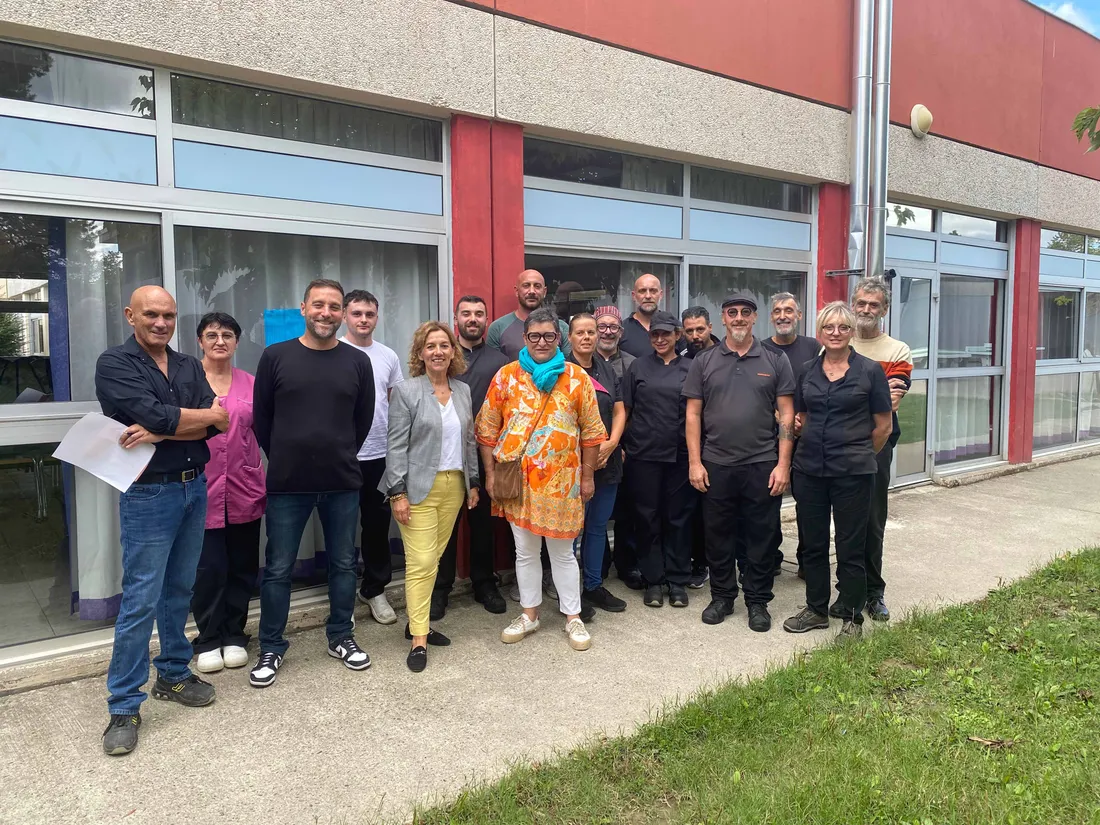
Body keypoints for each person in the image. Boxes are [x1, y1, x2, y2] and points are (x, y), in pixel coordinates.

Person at [95, 286, 229, 756]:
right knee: (140, 599)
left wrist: (160, 427)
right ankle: (124, 706)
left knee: (179, 590)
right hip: (149, 493)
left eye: (168, 315)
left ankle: (172, 674)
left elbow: (221, 421)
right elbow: (168, 413)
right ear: (131, 315)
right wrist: (173, 420)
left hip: (195, 486)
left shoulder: (190, 365)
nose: (161, 322)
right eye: (151, 314)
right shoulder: (115, 364)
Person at [249, 279, 375, 688]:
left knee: (343, 564)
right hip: (288, 482)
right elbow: (262, 419)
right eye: (318, 305)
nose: (326, 313)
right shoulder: (276, 356)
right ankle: (271, 646)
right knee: (279, 569)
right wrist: (287, 454)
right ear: (303, 308)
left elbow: (364, 417)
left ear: (342, 313)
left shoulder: (357, 361)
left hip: (341, 481)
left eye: (334, 307)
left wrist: (336, 451)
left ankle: (341, 636)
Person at [476, 307, 606, 651]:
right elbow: (487, 432)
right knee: (525, 552)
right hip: (517, 484)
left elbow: (592, 433)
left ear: (558, 338)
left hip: (563, 485)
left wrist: (588, 477)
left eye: (549, 336)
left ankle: (573, 617)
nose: (542, 342)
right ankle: (529, 615)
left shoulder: (577, 378)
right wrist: (490, 475)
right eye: (535, 336)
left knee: (563, 554)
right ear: (524, 339)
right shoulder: (506, 376)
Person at [683, 292, 795, 632]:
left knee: (760, 536)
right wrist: (694, 462)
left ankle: (758, 602)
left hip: (762, 463)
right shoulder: (704, 361)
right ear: (723, 319)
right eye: (732, 312)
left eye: (746, 312)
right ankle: (722, 597)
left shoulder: (775, 360)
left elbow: (787, 414)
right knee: (718, 536)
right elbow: (692, 415)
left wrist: (783, 464)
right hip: (715, 463)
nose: (739, 318)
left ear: (754, 318)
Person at [782, 302, 893, 639]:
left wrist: (858, 453)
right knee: (813, 544)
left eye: (842, 327)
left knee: (850, 545)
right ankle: (816, 609)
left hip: (853, 473)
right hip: (810, 470)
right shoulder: (806, 370)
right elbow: (803, 418)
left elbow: (883, 427)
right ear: (820, 332)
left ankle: (852, 615)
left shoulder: (871, 371)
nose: (835, 333)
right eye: (828, 327)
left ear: (851, 332)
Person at [381, 322, 480, 672]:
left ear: (453, 351)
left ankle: (415, 620)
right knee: (421, 563)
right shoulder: (407, 392)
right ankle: (419, 638)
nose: (438, 351)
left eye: (444, 345)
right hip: (416, 489)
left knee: (433, 559)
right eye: (430, 346)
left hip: (454, 487)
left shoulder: (464, 391)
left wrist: (474, 482)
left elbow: (469, 441)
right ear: (420, 353)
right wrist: (397, 493)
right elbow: (394, 447)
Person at [191, 312, 266, 675]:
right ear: (200, 342)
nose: (219, 341)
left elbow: (266, 432)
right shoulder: (188, 383)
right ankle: (207, 638)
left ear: (237, 342)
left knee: (241, 566)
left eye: (227, 335)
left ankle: (235, 634)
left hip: (244, 487)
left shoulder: (252, 384)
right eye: (211, 335)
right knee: (208, 569)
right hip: (201, 489)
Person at [433, 296, 510, 618]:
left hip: (486, 452)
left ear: (487, 319)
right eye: (466, 313)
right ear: (456, 318)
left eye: (479, 314)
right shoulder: (444, 357)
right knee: (445, 526)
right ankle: (440, 589)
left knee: (483, 525)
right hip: (447, 453)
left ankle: (483, 582)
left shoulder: (501, 361)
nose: (473, 319)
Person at [847, 277, 912, 622]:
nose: (866, 310)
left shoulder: (896, 350)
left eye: (874, 304)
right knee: (843, 522)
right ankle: (846, 591)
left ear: (884, 309)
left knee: (872, 521)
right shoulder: (837, 343)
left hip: (876, 446)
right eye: (861, 303)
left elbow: (891, 402)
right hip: (837, 446)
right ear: (852, 305)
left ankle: (874, 593)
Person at [622, 310, 697, 608]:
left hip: (679, 455)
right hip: (643, 454)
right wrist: (623, 445)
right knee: (647, 517)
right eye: (655, 334)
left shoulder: (692, 368)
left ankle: (678, 580)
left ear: (678, 335)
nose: (661, 338)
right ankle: (653, 580)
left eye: (666, 333)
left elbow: (697, 414)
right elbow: (625, 410)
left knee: (678, 518)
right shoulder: (637, 367)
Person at [339, 289, 404, 625]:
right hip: (342, 456)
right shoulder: (333, 351)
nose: (363, 320)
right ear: (345, 316)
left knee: (377, 527)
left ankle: (374, 590)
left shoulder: (388, 356)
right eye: (356, 313)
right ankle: (342, 598)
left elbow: (394, 405)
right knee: (341, 529)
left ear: (376, 317)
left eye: (369, 314)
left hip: (380, 455)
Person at [566, 313, 628, 614]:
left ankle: (592, 586)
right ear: (570, 337)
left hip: (608, 460)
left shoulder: (606, 368)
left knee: (597, 526)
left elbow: (619, 409)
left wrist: (613, 442)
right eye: (581, 332)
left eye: (591, 332)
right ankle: (570, 593)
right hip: (574, 465)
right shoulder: (561, 370)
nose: (587, 337)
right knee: (573, 530)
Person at [760, 292, 821, 579]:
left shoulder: (814, 348)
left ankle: (808, 561)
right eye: (777, 311)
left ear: (798, 315)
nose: (782, 315)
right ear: (771, 317)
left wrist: (803, 419)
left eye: (788, 310)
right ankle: (769, 558)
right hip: (770, 440)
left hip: (809, 439)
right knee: (768, 501)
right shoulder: (761, 350)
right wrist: (780, 416)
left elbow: (824, 385)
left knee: (808, 502)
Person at [593, 305, 642, 590]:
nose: (607, 332)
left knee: (626, 510)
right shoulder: (582, 363)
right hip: (593, 451)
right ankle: (597, 567)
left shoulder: (633, 363)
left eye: (613, 327)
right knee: (594, 512)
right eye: (602, 327)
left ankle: (627, 565)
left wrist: (620, 444)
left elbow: (634, 407)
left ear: (621, 332)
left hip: (626, 448)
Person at [679, 306, 720, 590]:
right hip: (690, 446)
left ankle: (722, 563)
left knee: (719, 510)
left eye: (700, 329)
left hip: (721, 443)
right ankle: (700, 563)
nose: (695, 335)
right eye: (689, 330)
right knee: (693, 510)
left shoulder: (725, 355)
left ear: (710, 327)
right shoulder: (681, 359)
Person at [486, 269, 570, 360]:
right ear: (516, 291)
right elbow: (493, 366)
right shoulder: (498, 328)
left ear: (544, 292)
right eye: (526, 286)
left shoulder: (561, 327)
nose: (532, 291)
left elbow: (569, 366)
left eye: (537, 286)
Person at [618, 273, 665, 357]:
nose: (648, 296)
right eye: (642, 291)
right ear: (634, 296)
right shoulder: (622, 330)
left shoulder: (673, 328)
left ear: (661, 295)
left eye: (653, 291)